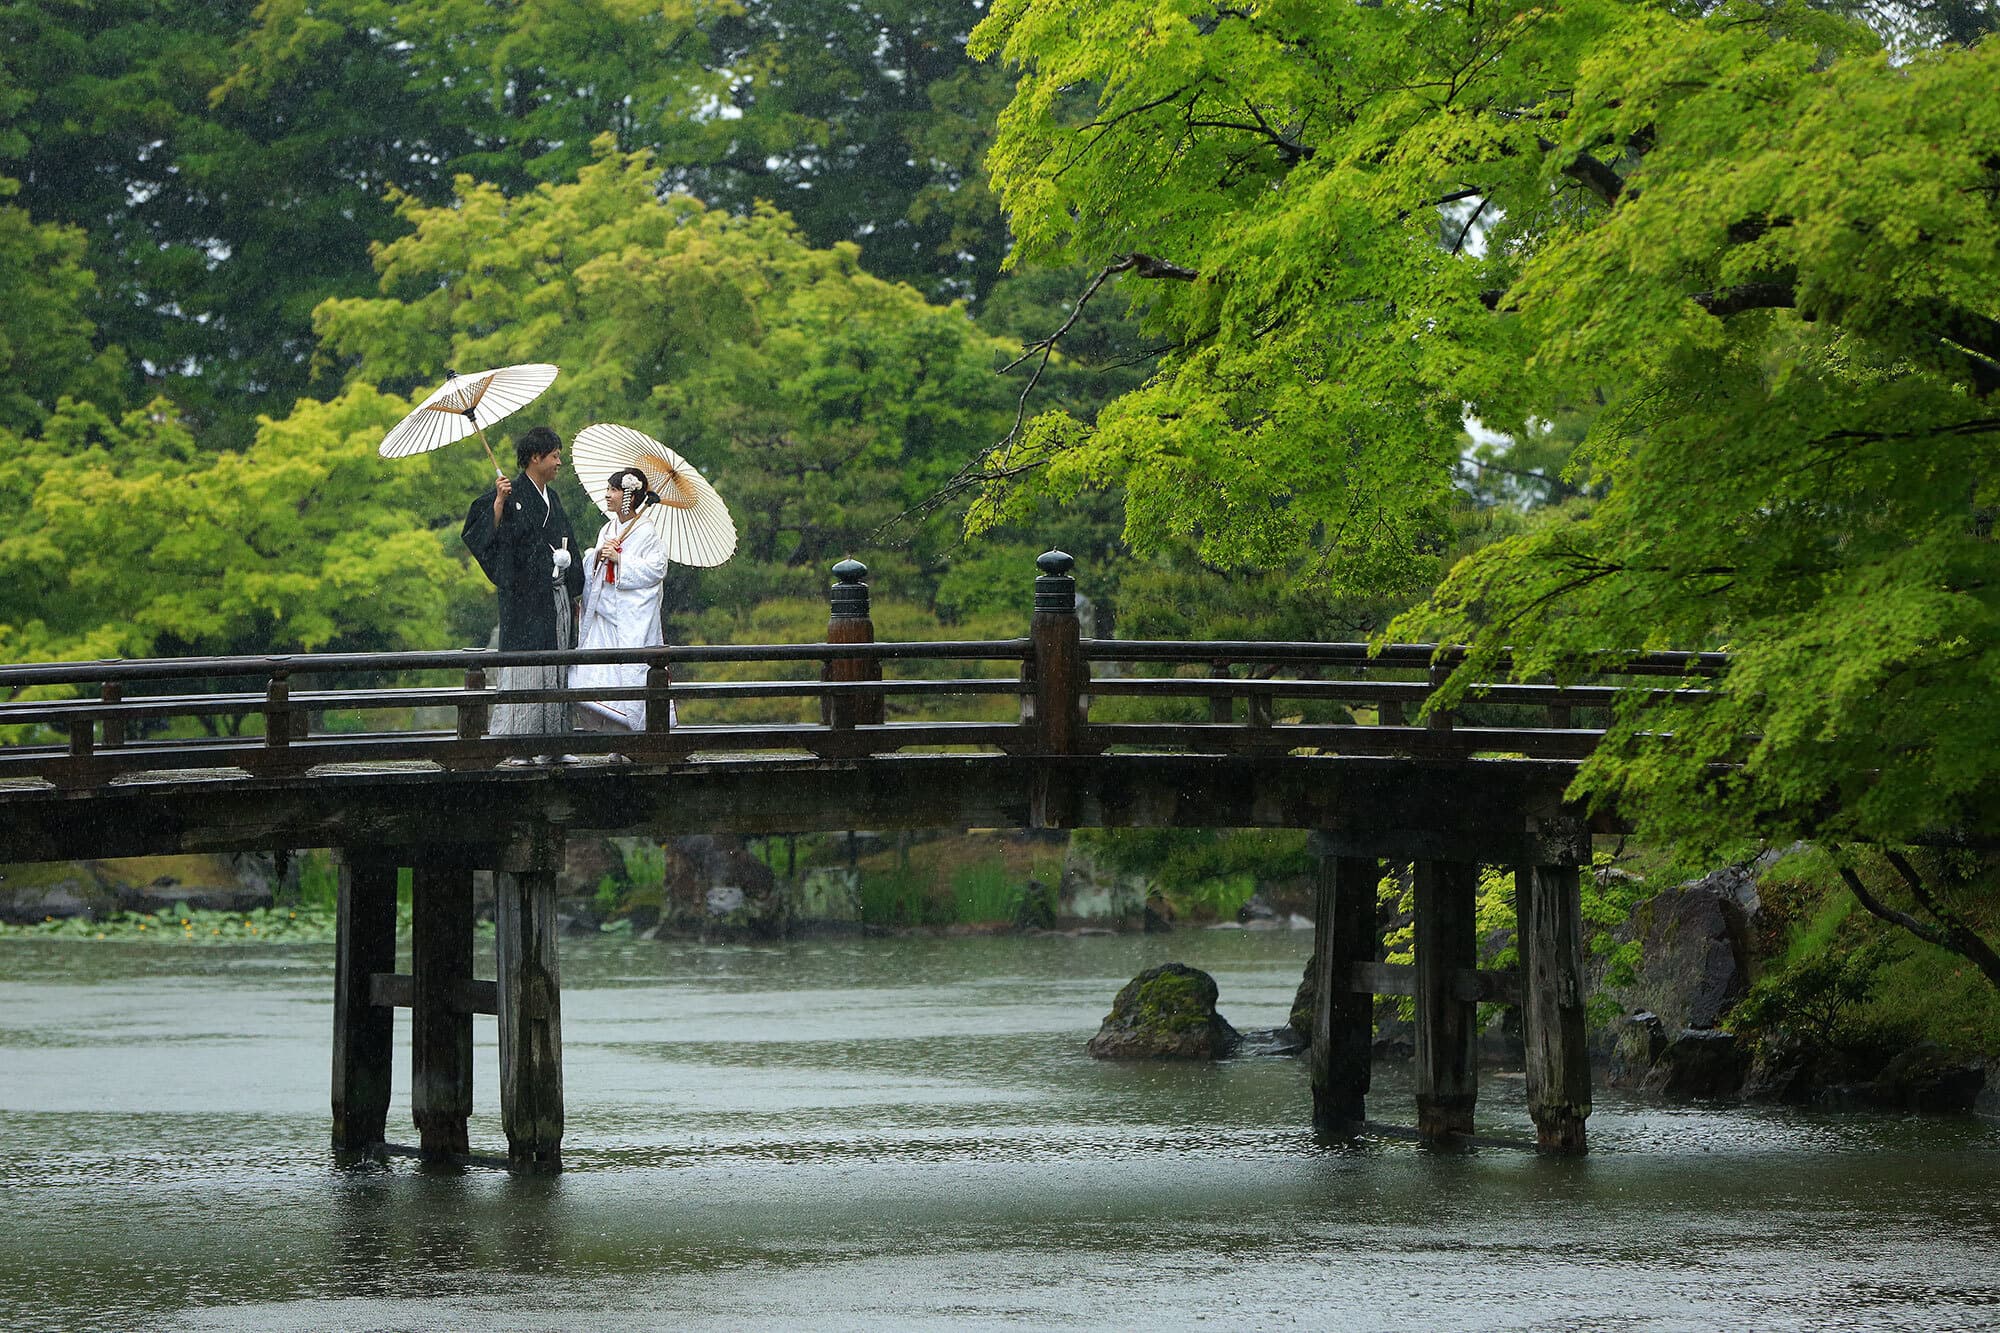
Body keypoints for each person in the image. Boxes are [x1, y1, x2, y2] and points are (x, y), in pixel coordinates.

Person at [461, 426, 587, 755]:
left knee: (556, 668)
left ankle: (555, 743)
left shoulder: (553, 498)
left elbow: (568, 541)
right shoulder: (510, 494)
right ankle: (519, 745)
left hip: (555, 598)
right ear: (535, 457)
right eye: (554, 456)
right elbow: (478, 534)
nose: (559, 462)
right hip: (524, 600)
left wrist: (572, 580)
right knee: (526, 669)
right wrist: (499, 504)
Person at [570, 467, 671, 741]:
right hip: (604, 611)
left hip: (631, 616)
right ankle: (612, 738)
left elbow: (657, 569)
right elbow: (594, 567)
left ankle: (631, 737)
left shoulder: (647, 532)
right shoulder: (607, 528)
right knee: (602, 674)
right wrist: (597, 556)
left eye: (613, 490)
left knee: (628, 673)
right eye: (608, 489)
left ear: (629, 496)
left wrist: (621, 559)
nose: (607, 495)